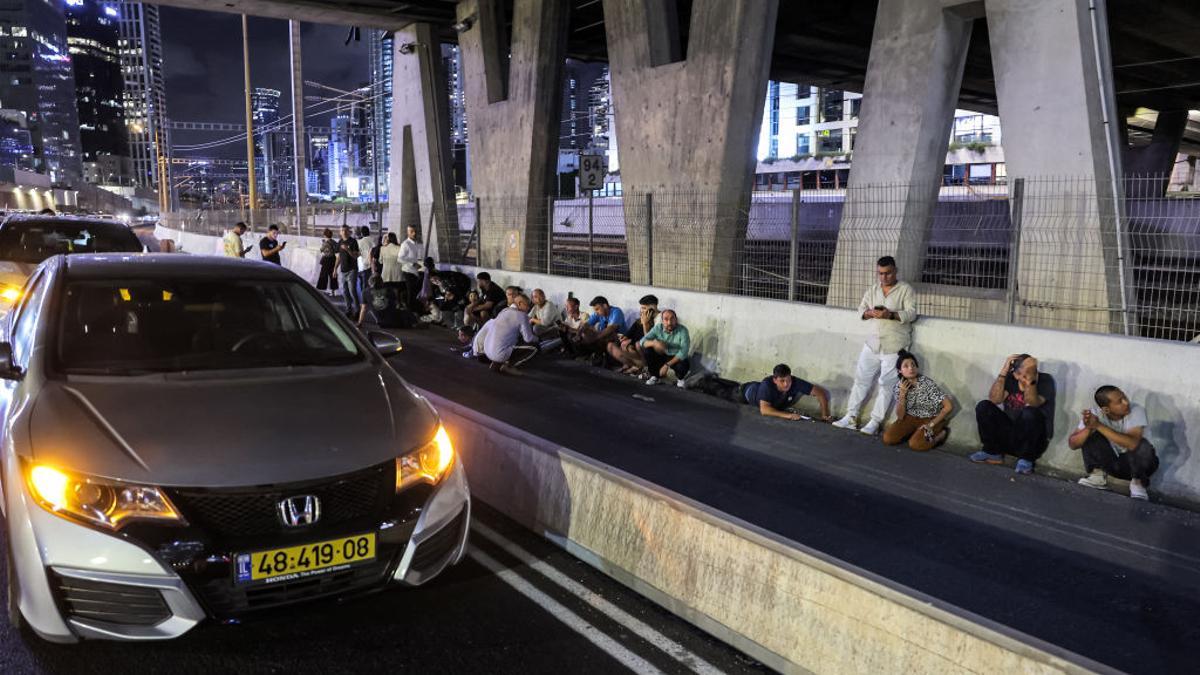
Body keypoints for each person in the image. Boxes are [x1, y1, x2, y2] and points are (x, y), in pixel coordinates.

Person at [833, 256, 919, 435]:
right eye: (880, 273)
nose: (884, 277)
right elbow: (860, 310)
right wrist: (870, 313)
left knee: (886, 385)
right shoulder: (872, 289)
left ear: (895, 271)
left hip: (894, 345)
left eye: (887, 273)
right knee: (861, 380)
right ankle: (851, 417)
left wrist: (891, 315)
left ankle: (875, 422)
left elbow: (912, 314)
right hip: (872, 343)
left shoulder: (906, 290)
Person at [1069, 386, 1158, 500]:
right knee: (1091, 435)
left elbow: (1132, 444)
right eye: (1120, 401)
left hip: (1141, 466)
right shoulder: (1095, 414)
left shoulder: (1136, 410)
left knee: (1141, 444)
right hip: (1112, 464)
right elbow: (1073, 444)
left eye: (1124, 397)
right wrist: (1088, 428)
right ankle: (1098, 477)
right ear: (1106, 410)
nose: (1126, 402)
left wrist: (1098, 425)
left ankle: (1138, 483)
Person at [971, 354, 1056, 474]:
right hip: (1011, 435)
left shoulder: (1045, 380)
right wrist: (1003, 372)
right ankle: (992, 452)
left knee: (1030, 412)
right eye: (1021, 373)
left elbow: (1033, 402)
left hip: (1033, 441)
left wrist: (1030, 381)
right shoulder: (1011, 378)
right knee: (984, 406)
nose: (1024, 376)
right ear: (1016, 374)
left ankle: (1026, 460)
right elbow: (995, 399)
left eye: (1029, 371)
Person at [694, 364, 831, 422]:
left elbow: (821, 393)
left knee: (731, 385)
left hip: (756, 389)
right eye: (782, 381)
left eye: (788, 380)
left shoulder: (794, 382)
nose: (786, 384)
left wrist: (825, 414)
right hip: (745, 394)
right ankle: (703, 381)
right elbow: (765, 410)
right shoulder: (767, 384)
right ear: (775, 380)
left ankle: (715, 379)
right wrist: (789, 415)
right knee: (723, 392)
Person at [881, 350, 952, 451]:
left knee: (915, 445)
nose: (911, 368)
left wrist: (931, 424)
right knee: (888, 438)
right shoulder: (898, 387)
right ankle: (914, 432)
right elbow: (900, 416)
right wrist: (902, 395)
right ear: (899, 371)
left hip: (930, 418)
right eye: (906, 366)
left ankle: (940, 435)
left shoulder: (927, 384)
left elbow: (948, 406)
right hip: (910, 417)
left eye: (913, 365)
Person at [472, 294, 538, 374]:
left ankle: (497, 363)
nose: (528, 309)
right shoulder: (522, 315)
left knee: (511, 339)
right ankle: (509, 366)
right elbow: (528, 338)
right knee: (535, 347)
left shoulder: (504, 311)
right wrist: (537, 338)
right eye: (528, 305)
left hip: (487, 352)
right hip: (498, 354)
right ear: (520, 303)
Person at [638, 309, 691, 385]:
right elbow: (642, 341)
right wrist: (655, 343)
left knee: (683, 364)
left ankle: (680, 379)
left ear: (676, 320)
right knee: (648, 350)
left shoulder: (683, 330)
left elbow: (684, 351)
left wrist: (667, 365)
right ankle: (655, 376)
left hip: (675, 356)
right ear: (662, 321)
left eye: (672, 318)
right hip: (661, 355)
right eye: (666, 319)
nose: (669, 322)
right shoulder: (658, 328)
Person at [608, 294, 659, 373]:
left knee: (636, 345)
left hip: (649, 346)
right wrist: (624, 336)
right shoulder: (640, 319)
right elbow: (632, 331)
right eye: (641, 308)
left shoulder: (657, 320)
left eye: (644, 308)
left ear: (653, 309)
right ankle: (629, 365)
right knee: (624, 343)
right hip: (637, 341)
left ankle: (642, 366)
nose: (642, 311)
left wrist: (645, 323)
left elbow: (648, 338)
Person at [336, 225, 361, 317]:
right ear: (340, 232)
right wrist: (335, 269)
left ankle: (357, 310)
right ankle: (348, 309)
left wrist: (348, 249)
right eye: (342, 230)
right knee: (345, 291)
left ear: (349, 232)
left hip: (352, 270)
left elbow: (356, 256)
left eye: (346, 230)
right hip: (343, 270)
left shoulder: (353, 241)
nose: (344, 232)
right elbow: (338, 257)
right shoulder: (339, 242)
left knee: (352, 291)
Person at [316, 228, 339, 295]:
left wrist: (323, 243)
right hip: (333, 259)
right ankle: (333, 291)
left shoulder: (325, 243)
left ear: (325, 235)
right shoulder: (334, 242)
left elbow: (321, 250)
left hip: (326, 260)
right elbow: (336, 250)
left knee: (323, 275)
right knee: (333, 275)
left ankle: (321, 290)